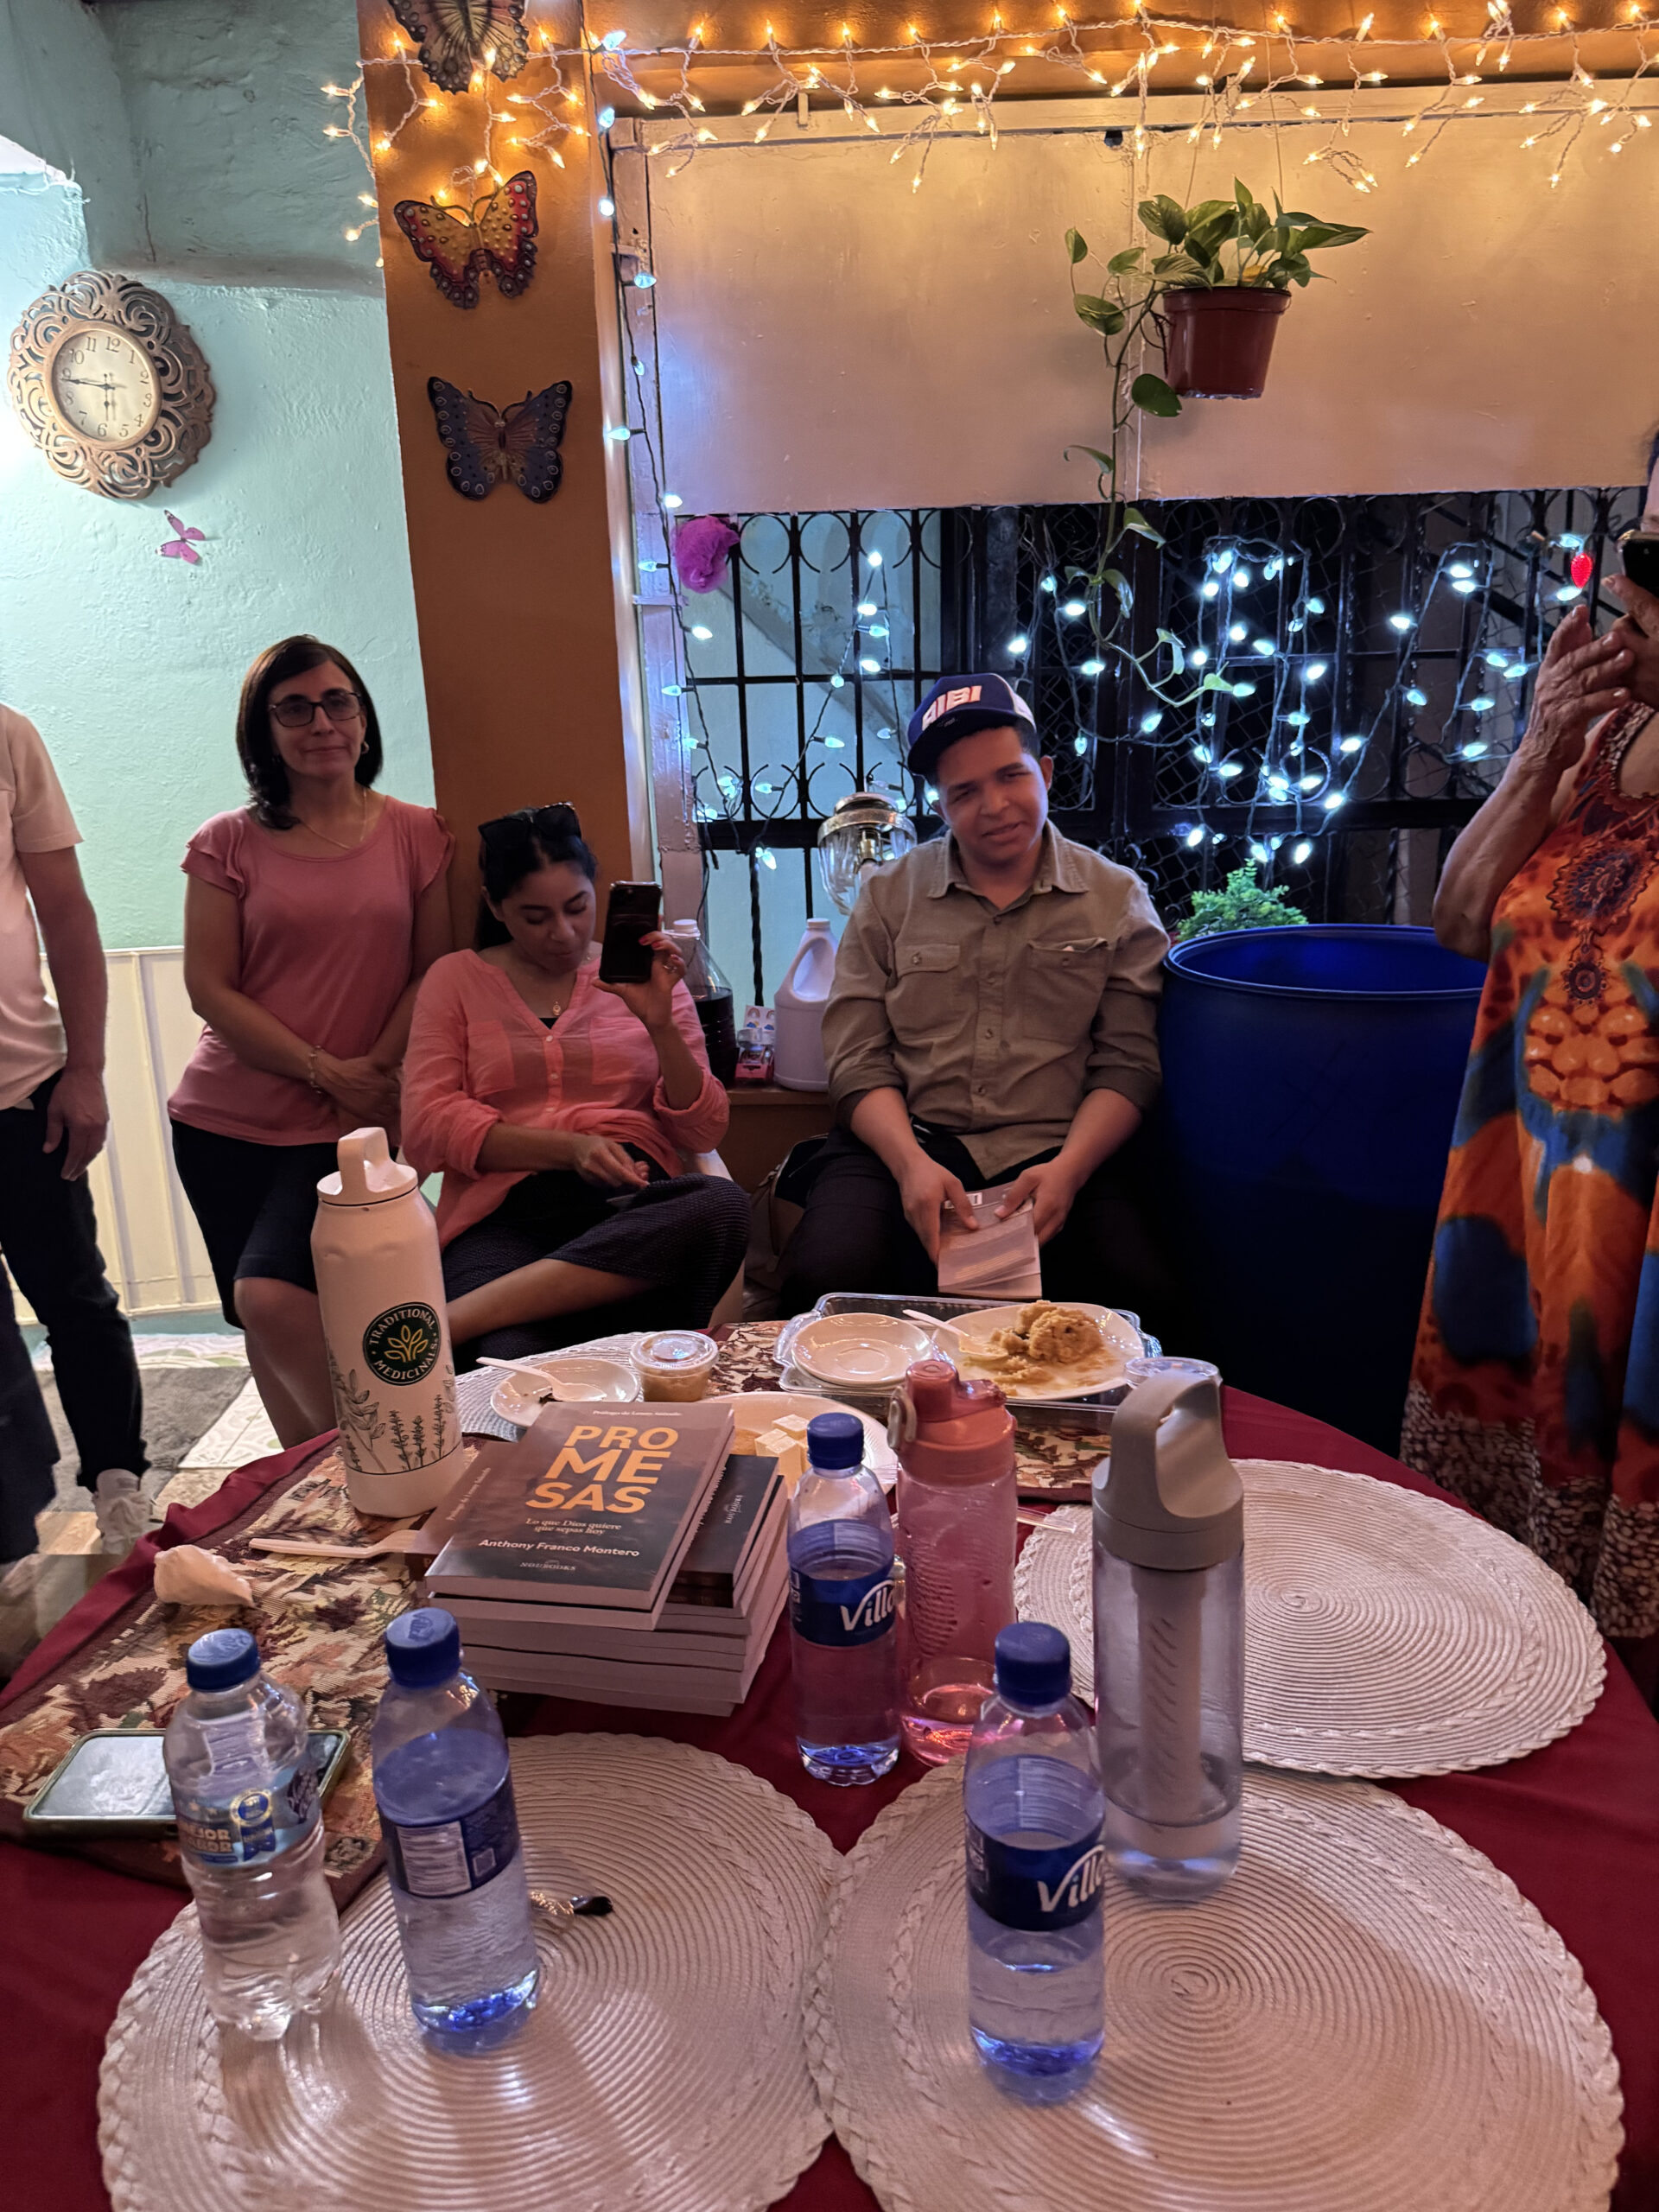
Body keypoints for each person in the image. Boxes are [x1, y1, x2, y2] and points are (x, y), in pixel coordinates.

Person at [1406, 491, 1659, 1680]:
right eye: (1635, 544)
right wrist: (1543, 746)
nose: (1629, 586)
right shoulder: (1607, 738)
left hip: (1641, 1253)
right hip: (1526, 1209)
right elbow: (1461, 919)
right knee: (1504, 1627)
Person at [778, 674, 1176, 1331]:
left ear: (1045, 772)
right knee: (824, 1278)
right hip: (908, 1139)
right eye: (964, 792)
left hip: (1060, 1147)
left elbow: (1128, 1064)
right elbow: (857, 1059)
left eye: (1011, 776)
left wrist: (1070, 1171)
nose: (994, 806)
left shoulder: (1116, 898)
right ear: (940, 805)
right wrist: (911, 1166)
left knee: (1142, 1297)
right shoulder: (887, 897)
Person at [168, 638, 453, 1448]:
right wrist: (329, 1069)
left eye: (337, 702)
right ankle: (310, 1486)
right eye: (294, 708)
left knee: (274, 1295)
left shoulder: (419, 833)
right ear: (265, 731)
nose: (321, 723)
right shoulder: (225, 842)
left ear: (363, 718)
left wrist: (374, 1075)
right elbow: (210, 990)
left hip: (351, 1123)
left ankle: (382, 1461)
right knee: (261, 1319)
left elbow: (432, 971)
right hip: (222, 1122)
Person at [400, 804, 751, 1363]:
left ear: (597, 894)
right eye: (534, 916)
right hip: (503, 1216)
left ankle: (454, 1320)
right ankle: (502, 1319)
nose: (562, 933)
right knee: (504, 1366)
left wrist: (660, 1024)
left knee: (723, 1205)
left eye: (577, 908)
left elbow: (704, 1129)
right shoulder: (456, 980)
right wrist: (572, 1150)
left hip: (631, 1212)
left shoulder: (649, 978)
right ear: (495, 906)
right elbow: (427, 1126)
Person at [0, 702, 147, 1566]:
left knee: (76, 1301)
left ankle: (119, 1485)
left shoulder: (8, 737)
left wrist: (85, 1069)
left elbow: (66, 914)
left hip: (25, 1090)